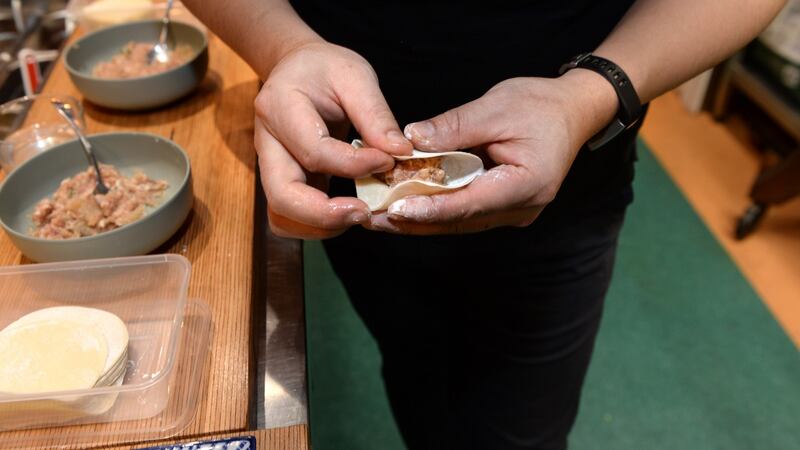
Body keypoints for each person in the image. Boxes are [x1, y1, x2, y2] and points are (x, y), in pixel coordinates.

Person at [183, 1, 785, 448]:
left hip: (569, 188)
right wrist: (285, 49)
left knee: (525, 428)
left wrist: (594, 92)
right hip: (358, 187)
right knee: (414, 376)